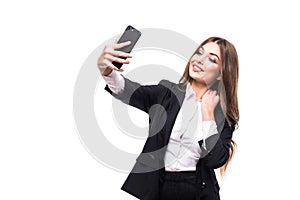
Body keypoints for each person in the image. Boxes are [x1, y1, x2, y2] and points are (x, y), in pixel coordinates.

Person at [97, 36, 239, 200]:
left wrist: (208, 114)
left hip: (199, 191)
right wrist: (107, 71)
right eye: (199, 53)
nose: (200, 60)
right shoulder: (166, 94)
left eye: (212, 59)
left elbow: (215, 160)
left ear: (221, 74)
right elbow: (128, 90)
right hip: (159, 187)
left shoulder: (223, 115)